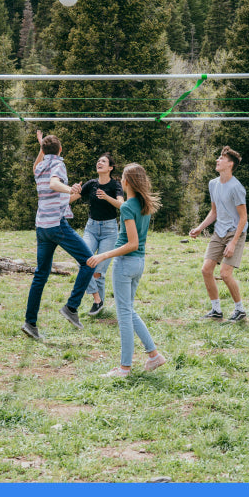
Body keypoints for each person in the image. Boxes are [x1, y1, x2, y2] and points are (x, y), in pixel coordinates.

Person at [87, 163, 166, 377]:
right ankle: (154, 356)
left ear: (127, 181)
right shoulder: (143, 204)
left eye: (122, 177)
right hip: (138, 263)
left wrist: (103, 255)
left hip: (126, 263)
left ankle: (124, 368)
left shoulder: (128, 206)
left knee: (124, 314)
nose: (120, 181)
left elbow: (132, 243)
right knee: (129, 310)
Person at [22, 131, 95, 341]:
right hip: (57, 225)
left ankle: (30, 323)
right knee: (89, 262)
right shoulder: (57, 165)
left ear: (44, 151)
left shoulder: (40, 167)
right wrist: (68, 188)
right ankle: (71, 307)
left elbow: (37, 167)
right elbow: (54, 184)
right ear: (61, 150)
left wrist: (41, 146)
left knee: (40, 275)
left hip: (41, 227)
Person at [189, 146, 248, 322]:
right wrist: (200, 228)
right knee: (206, 270)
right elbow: (214, 212)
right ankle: (216, 310)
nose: (217, 160)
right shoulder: (213, 184)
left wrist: (233, 243)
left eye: (221, 158)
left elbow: (243, 218)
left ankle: (240, 310)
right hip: (219, 231)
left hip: (235, 232)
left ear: (230, 164)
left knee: (225, 274)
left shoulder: (236, 187)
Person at [69, 152, 124, 316]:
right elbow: (71, 199)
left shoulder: (115, 185)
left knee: (98, 272)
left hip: (110, 230)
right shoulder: (91, 184)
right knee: (83, 262)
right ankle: (98, 300)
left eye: (103, 161)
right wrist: (70, 190)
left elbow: (121, 205)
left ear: (110, 168)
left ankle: (98, 306)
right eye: (98, 160)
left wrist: (107, 197)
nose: (99, 163)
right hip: (91, 228)